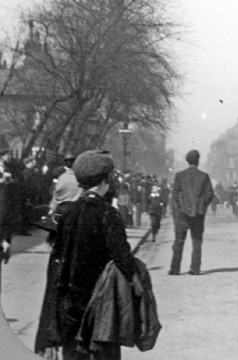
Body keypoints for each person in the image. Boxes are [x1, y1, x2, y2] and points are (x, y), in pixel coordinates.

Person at [51, 150, 135, 360]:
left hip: (71, 305)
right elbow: (124, 260)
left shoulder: (67, 214)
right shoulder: (109, 214)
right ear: (105, 181)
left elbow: (59, 259)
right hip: (101, 306)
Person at [169, 150, 214, 276]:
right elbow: (210, 193)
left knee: (178, 241)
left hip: (183, 213)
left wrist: (181, 206)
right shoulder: (204, 176)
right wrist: (201, 205)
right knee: (197, 241)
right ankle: (195, 269)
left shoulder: (179, 175)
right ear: (198, 161)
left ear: (187, 161)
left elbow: (175, 194)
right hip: (198, 214)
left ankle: (175, 269)